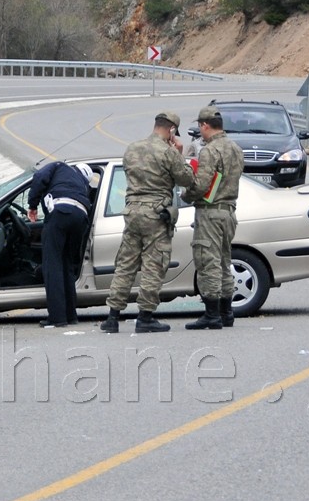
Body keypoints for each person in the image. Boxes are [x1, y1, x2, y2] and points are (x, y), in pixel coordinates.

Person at [102, 112, 193, 334]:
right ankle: (145, 316)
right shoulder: (168, 152)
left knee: (125, 264)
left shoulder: (132, 148)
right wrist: (179, 153)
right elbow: (187, 179)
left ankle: (112, 317)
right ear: (172, 130)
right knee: (154, 264)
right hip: (156, 214)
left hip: (132, 212)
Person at [183, 105, 244, 329]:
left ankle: (212, 315)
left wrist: (186, 195)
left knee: (207, 261)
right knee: (224, 261)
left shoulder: (209, 151)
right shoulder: (236, 148)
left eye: (200, 126)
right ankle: (227, 313)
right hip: (229, 211)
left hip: (210, 212)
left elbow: (201, 185)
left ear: (205, 125)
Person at [27, 161, 94, 328]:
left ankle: (57, 317)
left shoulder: (59, 166)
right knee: (67, 265)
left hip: (60, 213)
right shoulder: (82, 186)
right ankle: (71, 315)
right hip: (80, 218)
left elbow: (39, 177)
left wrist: (32, 205)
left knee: (53, 266)